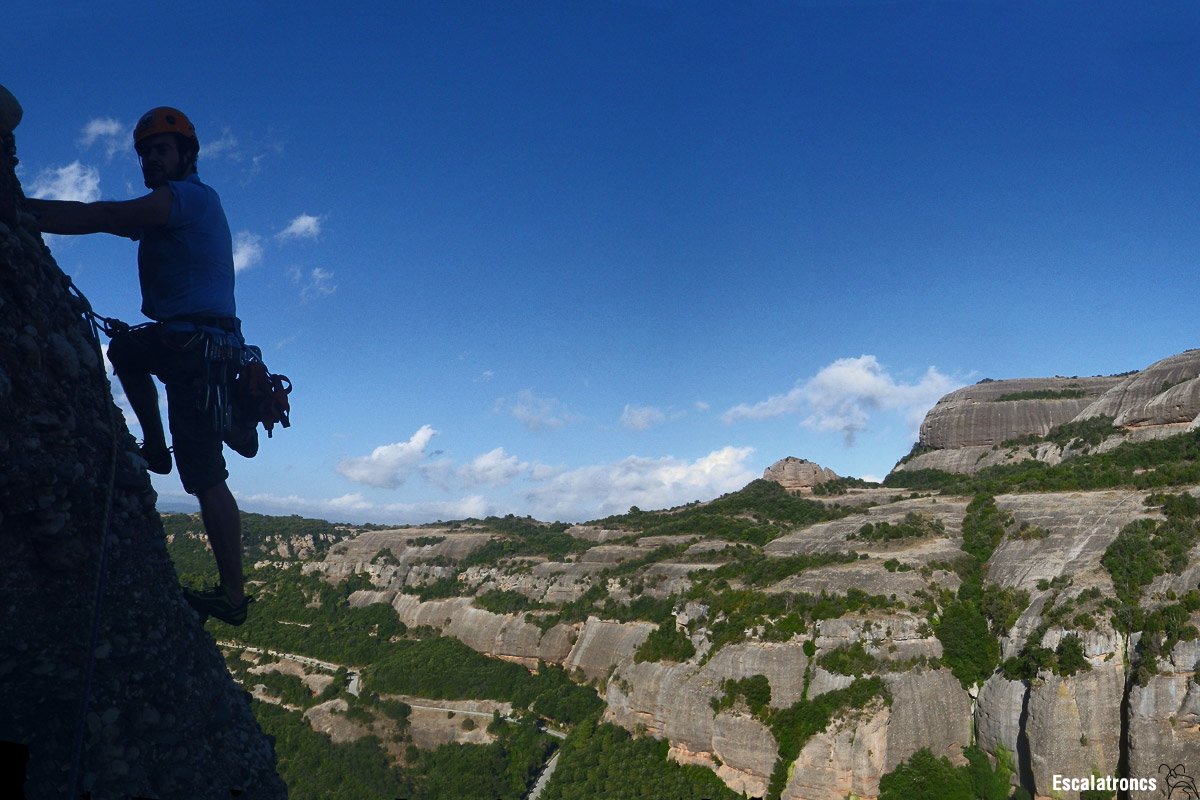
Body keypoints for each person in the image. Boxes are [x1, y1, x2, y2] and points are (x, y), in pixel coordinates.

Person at [28, 106, 254, 625]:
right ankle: (155, 448)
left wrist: (21, 210)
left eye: (161, 150)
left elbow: (106, 216)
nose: (152, 159)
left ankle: (233, 597)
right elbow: (111, 221)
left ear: (185, 155)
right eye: (146, 152)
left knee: (205, 476)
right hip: (189, 342)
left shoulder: (188, 198)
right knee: (127, 350)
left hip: (198, 348)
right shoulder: (171, 208)